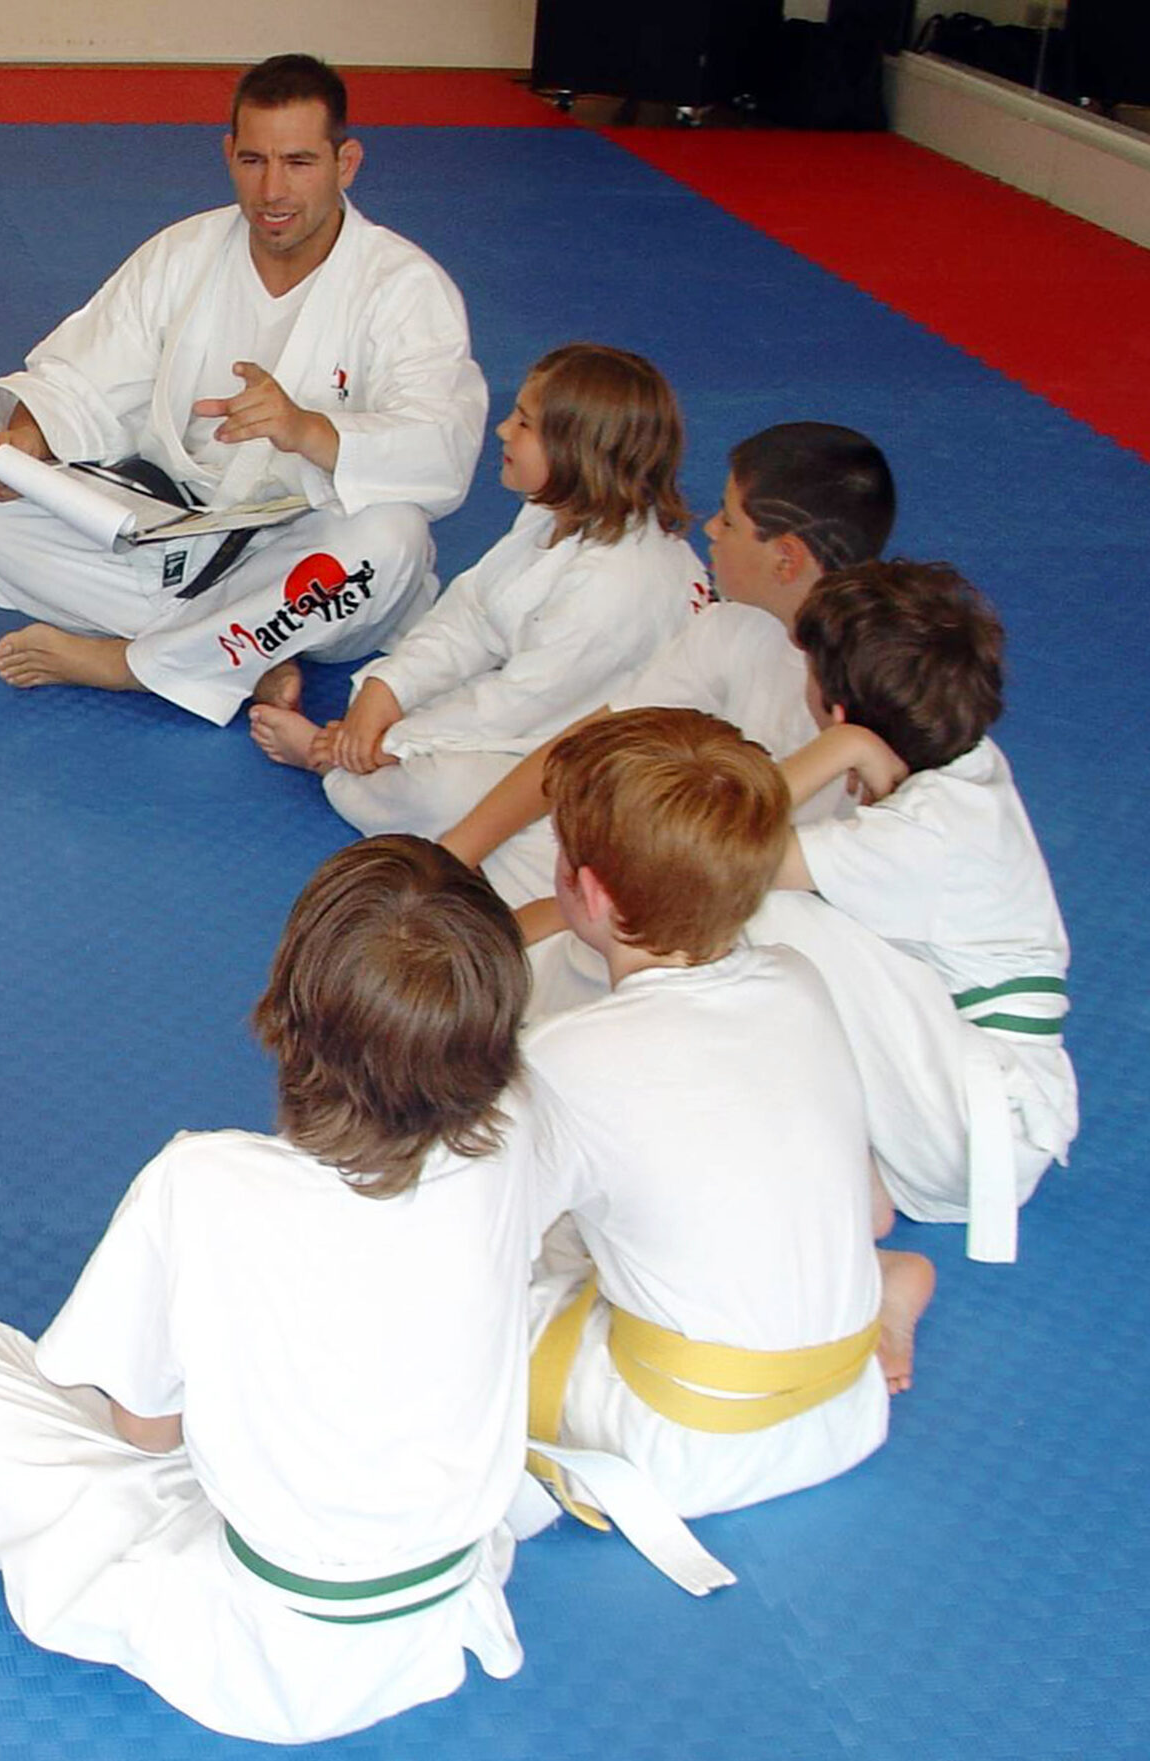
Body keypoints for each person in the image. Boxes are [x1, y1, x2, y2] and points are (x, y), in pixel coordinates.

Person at [0, 838, 547, 1745]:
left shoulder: (205, 1179)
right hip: (442, 1596)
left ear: (291, 1009)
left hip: (263, 1640)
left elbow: (141, 1429)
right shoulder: (514, 1137)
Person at [0, 53, 488, 725]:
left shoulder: (402, 286)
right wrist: (29, 435)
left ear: (346, 164)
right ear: (228, 154)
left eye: (299, 163)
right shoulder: (183, 254)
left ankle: (132, 663)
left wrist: (307, 429)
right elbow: (88, 370)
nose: (273, 191)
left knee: (393, 540)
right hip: (175, 525)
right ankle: (243, 650)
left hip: (307, 536)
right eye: (254, 161)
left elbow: (443, 447)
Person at [520, 708, 926, 1555]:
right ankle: (871, 1284)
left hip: (681, 1448)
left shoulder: (565, 1055)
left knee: (463, 1290)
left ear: (588, 893)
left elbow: (471, 1238)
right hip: (848, 1408)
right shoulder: (797, 978)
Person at [753, 561, 1075, 1263]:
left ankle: (852, 1211)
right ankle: (857, 1172)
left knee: (758, 917)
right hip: (978, 1100)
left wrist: (838, 748)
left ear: (837, 708)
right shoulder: (967, 762)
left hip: (972, 1132)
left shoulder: (922, 835)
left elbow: (714, 858)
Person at [254, 344, 709, 840]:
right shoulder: (556, 510)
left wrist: (383, 743)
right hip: (546, 702)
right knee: (417, 704)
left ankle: (328, 764)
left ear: (576, 451)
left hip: (627, 761)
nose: (502, 429)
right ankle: (360, 752)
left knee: (446, 794)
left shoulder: (617, 585)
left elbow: (522, 704)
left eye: (524, 423)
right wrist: (389, 690)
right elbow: (475, 611)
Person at [435, 420, 897, 907]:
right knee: (530, 839)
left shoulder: (885, 681)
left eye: (730, 520)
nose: (711, 529)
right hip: (710, 850)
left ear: (787, 559)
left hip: (790, 900)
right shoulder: (734, 625)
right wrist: (454, 854)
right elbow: (587, 745)